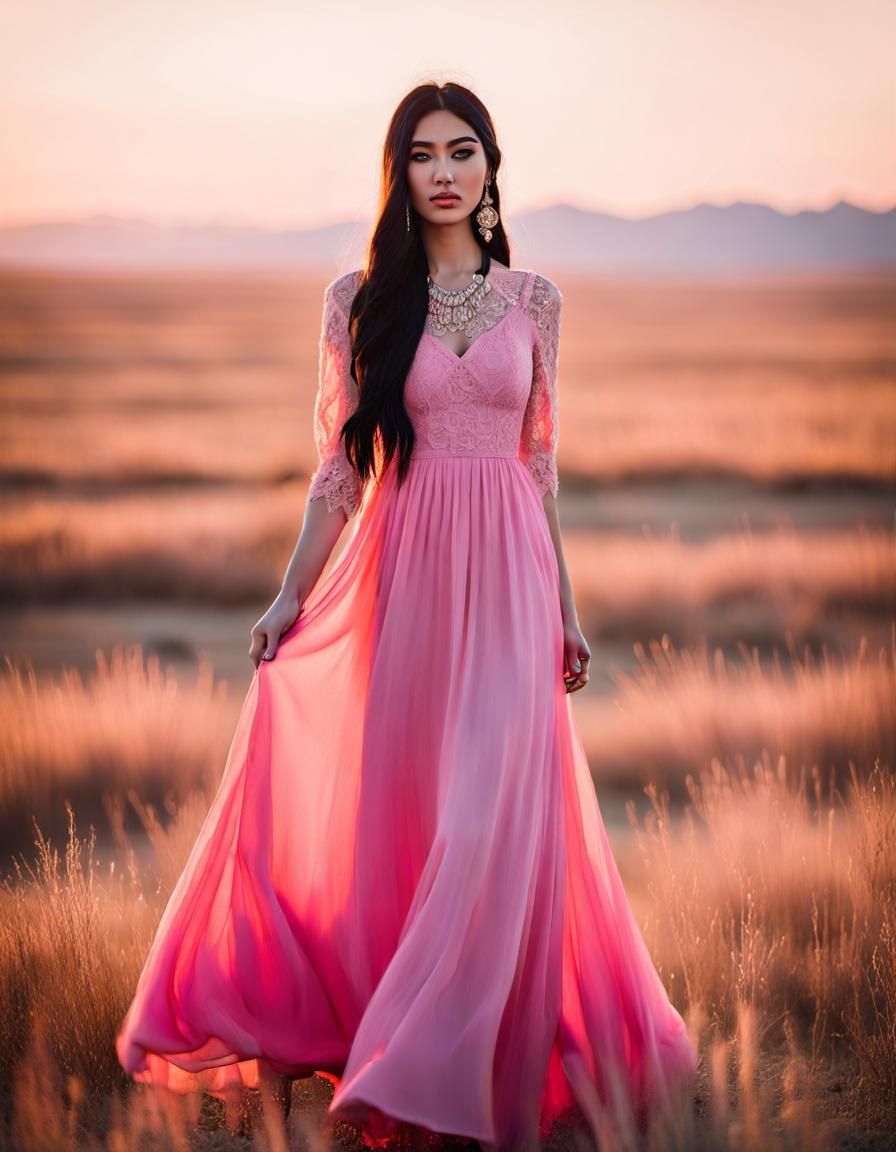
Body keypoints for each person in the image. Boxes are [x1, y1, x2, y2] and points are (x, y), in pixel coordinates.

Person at [115, 81, 698, 1151]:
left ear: (489, 168)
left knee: (490, 825)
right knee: (413, 827)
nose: (442, 170)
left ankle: (460, 1071)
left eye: (461, 151)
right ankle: (393, 1066)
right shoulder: (357, 298)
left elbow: (539, 467)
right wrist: (290, 591)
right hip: (406, 582)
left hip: (514, 584)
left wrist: (565, 607)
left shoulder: (537, 301)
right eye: (422, 152)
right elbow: (339, 473)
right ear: (400, 171)